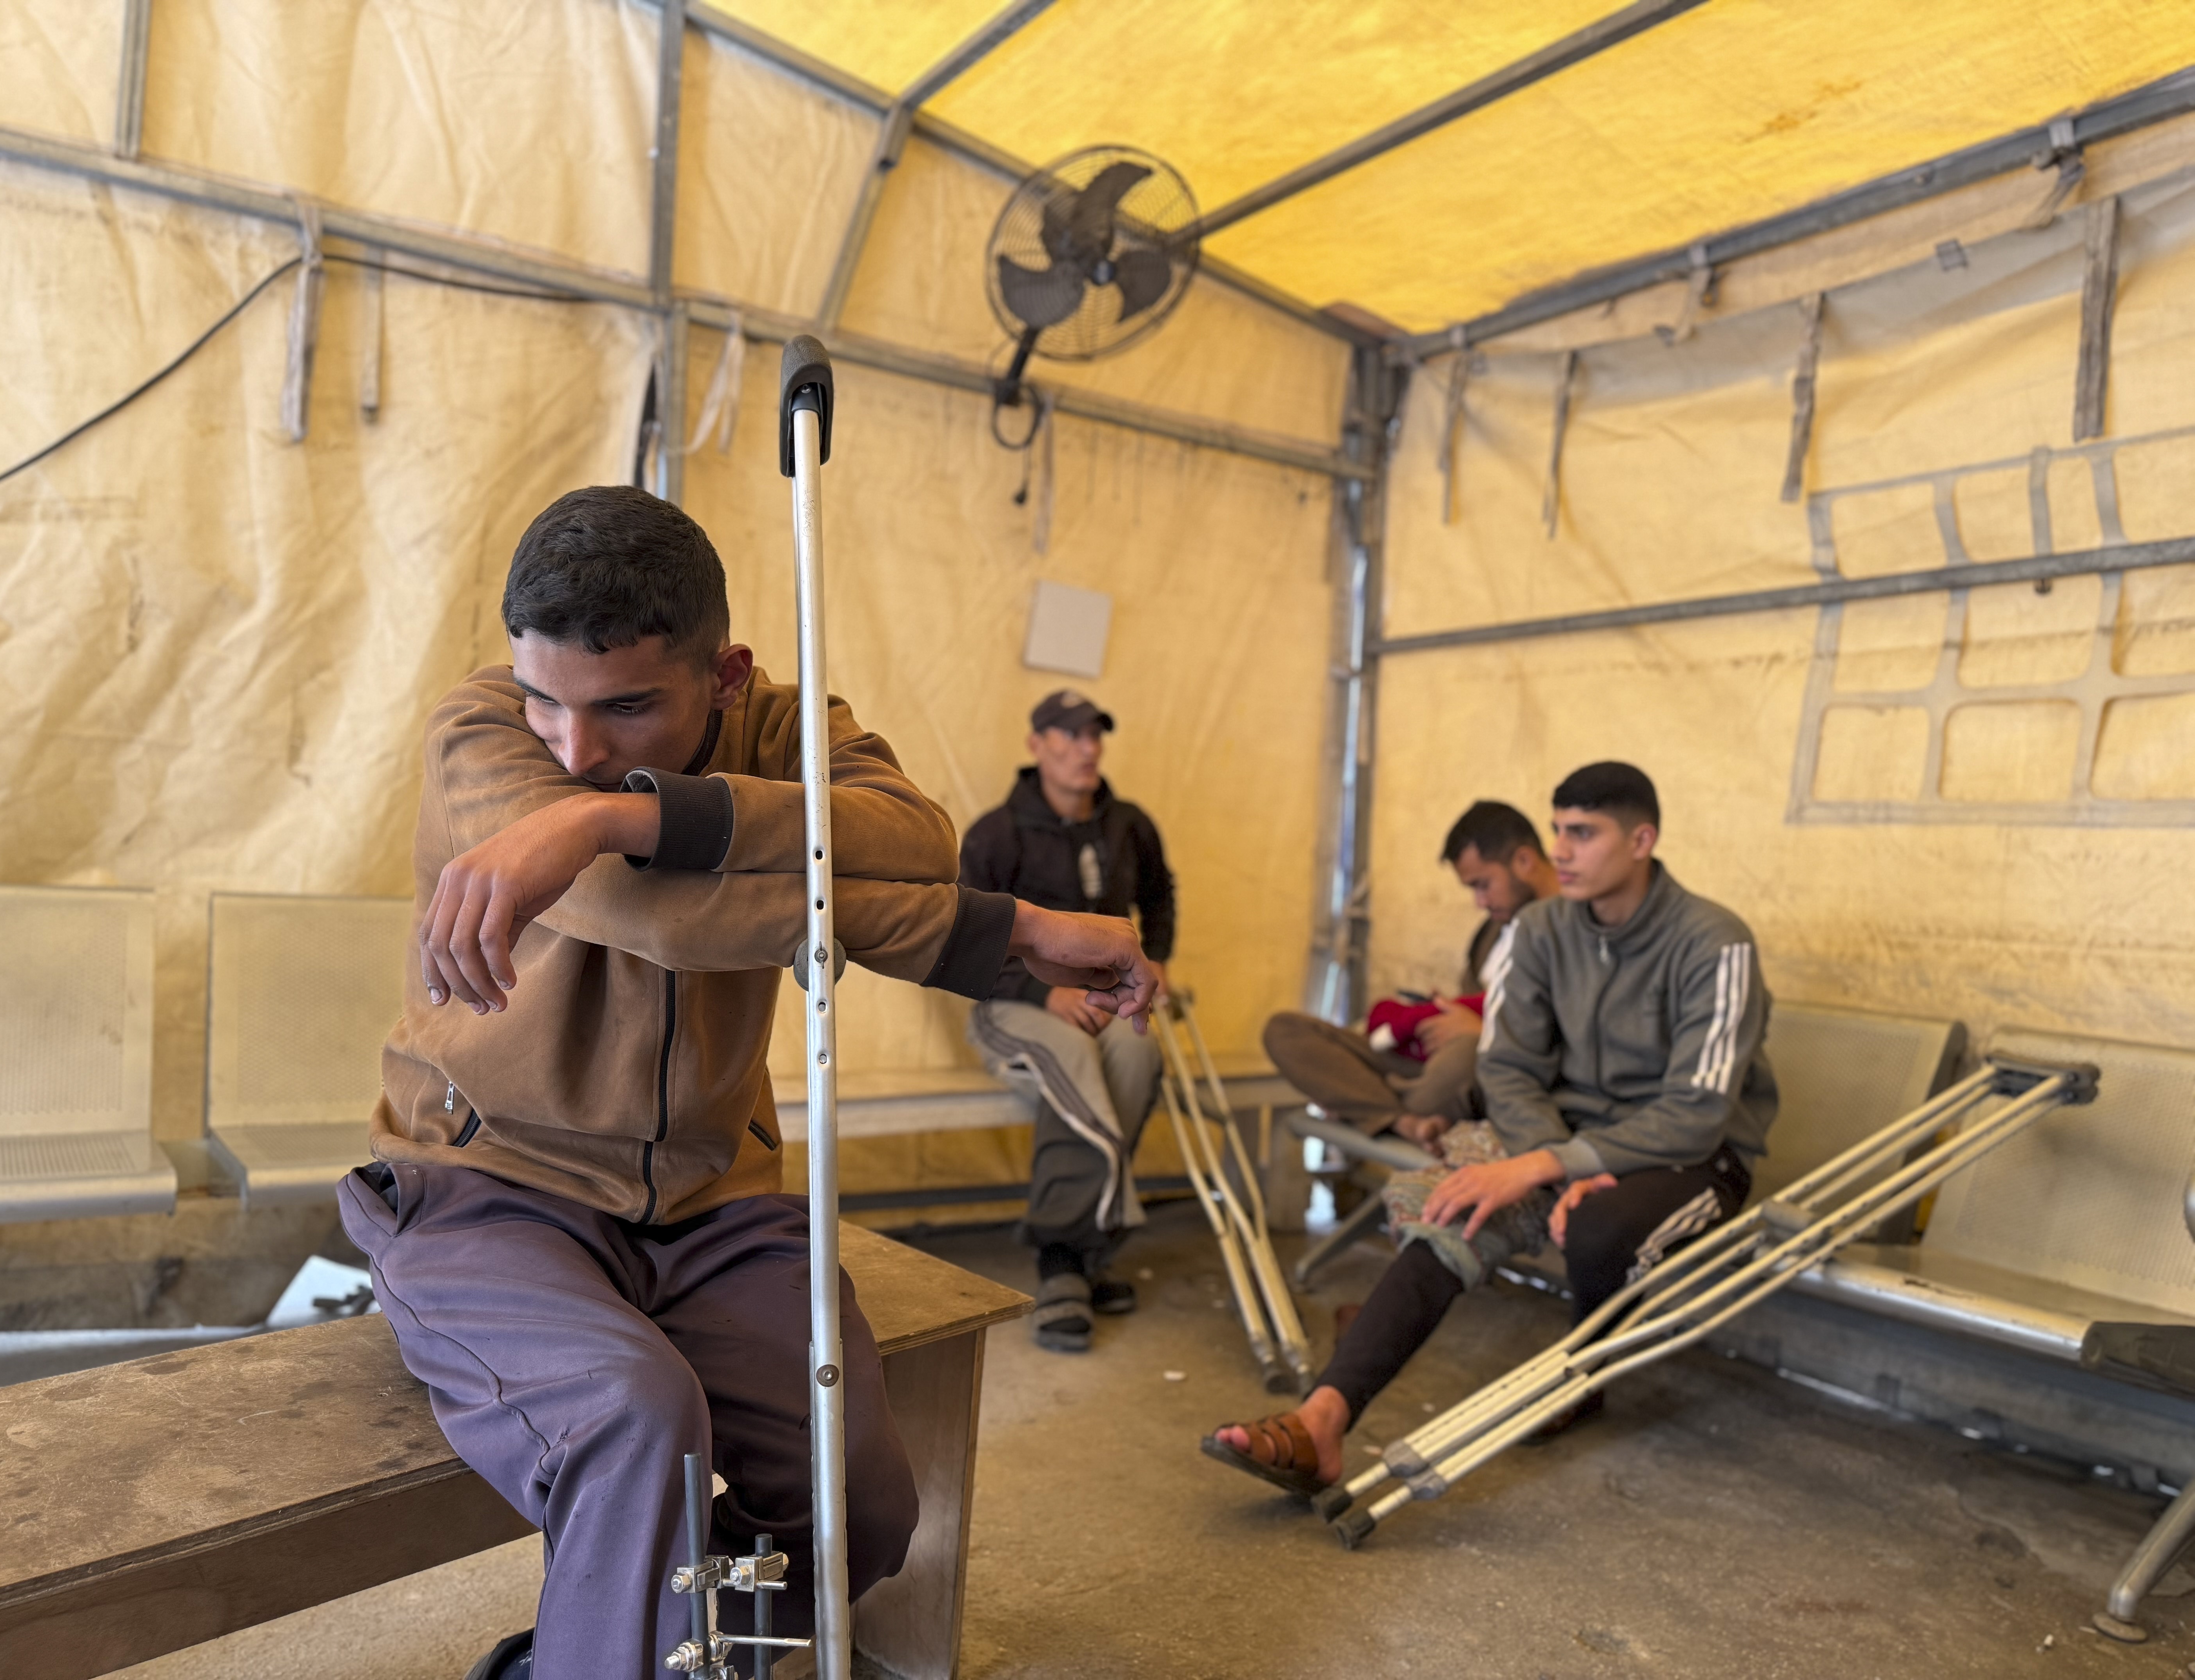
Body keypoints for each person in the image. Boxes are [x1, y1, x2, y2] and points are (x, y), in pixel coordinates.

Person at [334, 487, 1158, 1680]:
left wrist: (611, 820)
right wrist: (1014, 926)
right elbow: (656, 917)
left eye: (624, 708)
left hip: (714, 1201)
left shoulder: (785, 725)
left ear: (725, 674)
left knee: (857, 1502)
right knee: (637, 1417)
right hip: (484, 1186)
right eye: (546, 700)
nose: (572, 751)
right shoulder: (477, 728)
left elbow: (910, 840)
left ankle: (611, 1651)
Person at [1205, 761, 1775, 1496]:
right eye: (1558, 828)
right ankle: (1323, 1418)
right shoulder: (1538, 930)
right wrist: (1550, 1158)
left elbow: (1698, 1112)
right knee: (1451, 1204)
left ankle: (1583, 1374)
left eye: (1583, 832)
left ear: (1641, 839)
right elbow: (1506, 1068)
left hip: (1694, 1157)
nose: (1561, 849)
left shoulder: (1714, 941)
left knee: (1602, 1225)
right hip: (1566, 1135)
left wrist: (1551, 1164)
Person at [958, 689, 1176, 1353]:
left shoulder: (1128, 822)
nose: (1087, 748)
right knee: (1072, 1061)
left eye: (1095, 735)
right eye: (1070, 734)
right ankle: (1063, 1256)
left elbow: (1160, 893)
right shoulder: (996, 833)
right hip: (1010, 1005)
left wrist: (1156, 960)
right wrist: (1039, 990)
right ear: (1036, 744)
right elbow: (962, 937)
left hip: (1103, 1003)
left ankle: (1085, 1255)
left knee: (1139, 1057)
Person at [1262, 800, 1558, 1147]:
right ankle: (1401, 1118)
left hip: (1482, 1067)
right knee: (1286, 1032)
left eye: (1483, 885)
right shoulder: (1491, 932)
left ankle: (1363, 1103)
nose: (1480, 902)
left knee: (1462, 1058)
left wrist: (1485, 1029)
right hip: (1427, 1066)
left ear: (1524, 862)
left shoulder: (1571, 931)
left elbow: (1568, 1036)